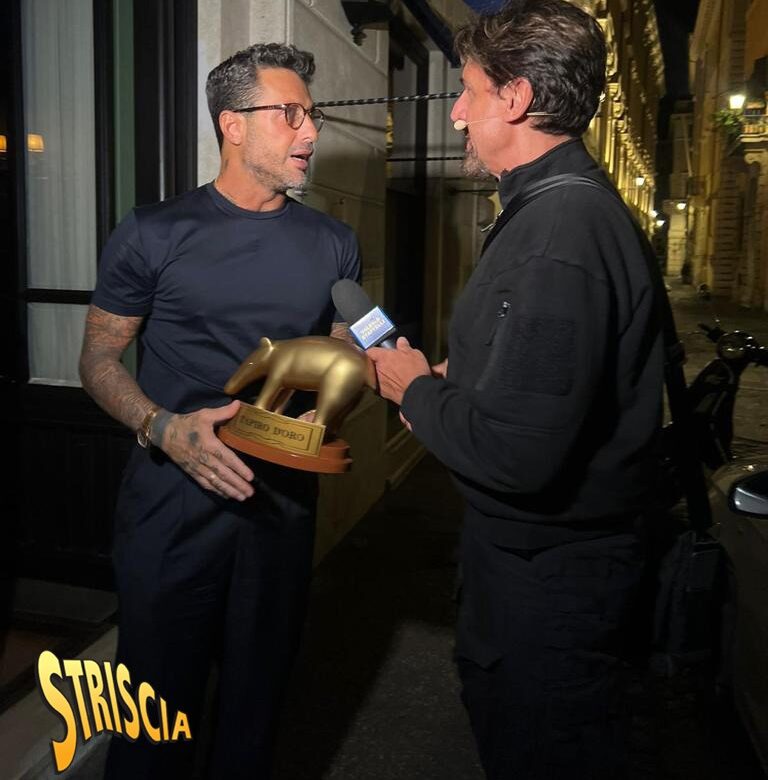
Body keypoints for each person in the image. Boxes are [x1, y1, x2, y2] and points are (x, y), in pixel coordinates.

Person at [369, 2, 663, 778]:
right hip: (543, 568)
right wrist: (460, 377)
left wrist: (412, 391)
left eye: (467, 92)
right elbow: (544, 377)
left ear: (517, 97)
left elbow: (517, 455)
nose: (457, 115)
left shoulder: (559, 234)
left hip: (553, 585)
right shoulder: (554, 206)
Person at [79, 43, 360, 779]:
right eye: (290, 114)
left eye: (313, 115)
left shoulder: (335, 243)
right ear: (232, 125)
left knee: (255, 713)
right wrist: (160, 426)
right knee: (153, 720)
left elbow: (346, 352)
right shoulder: (153, 232)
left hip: (280, 508)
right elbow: (98, 359)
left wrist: (331, 413)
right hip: (172, 506)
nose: (310, 132)